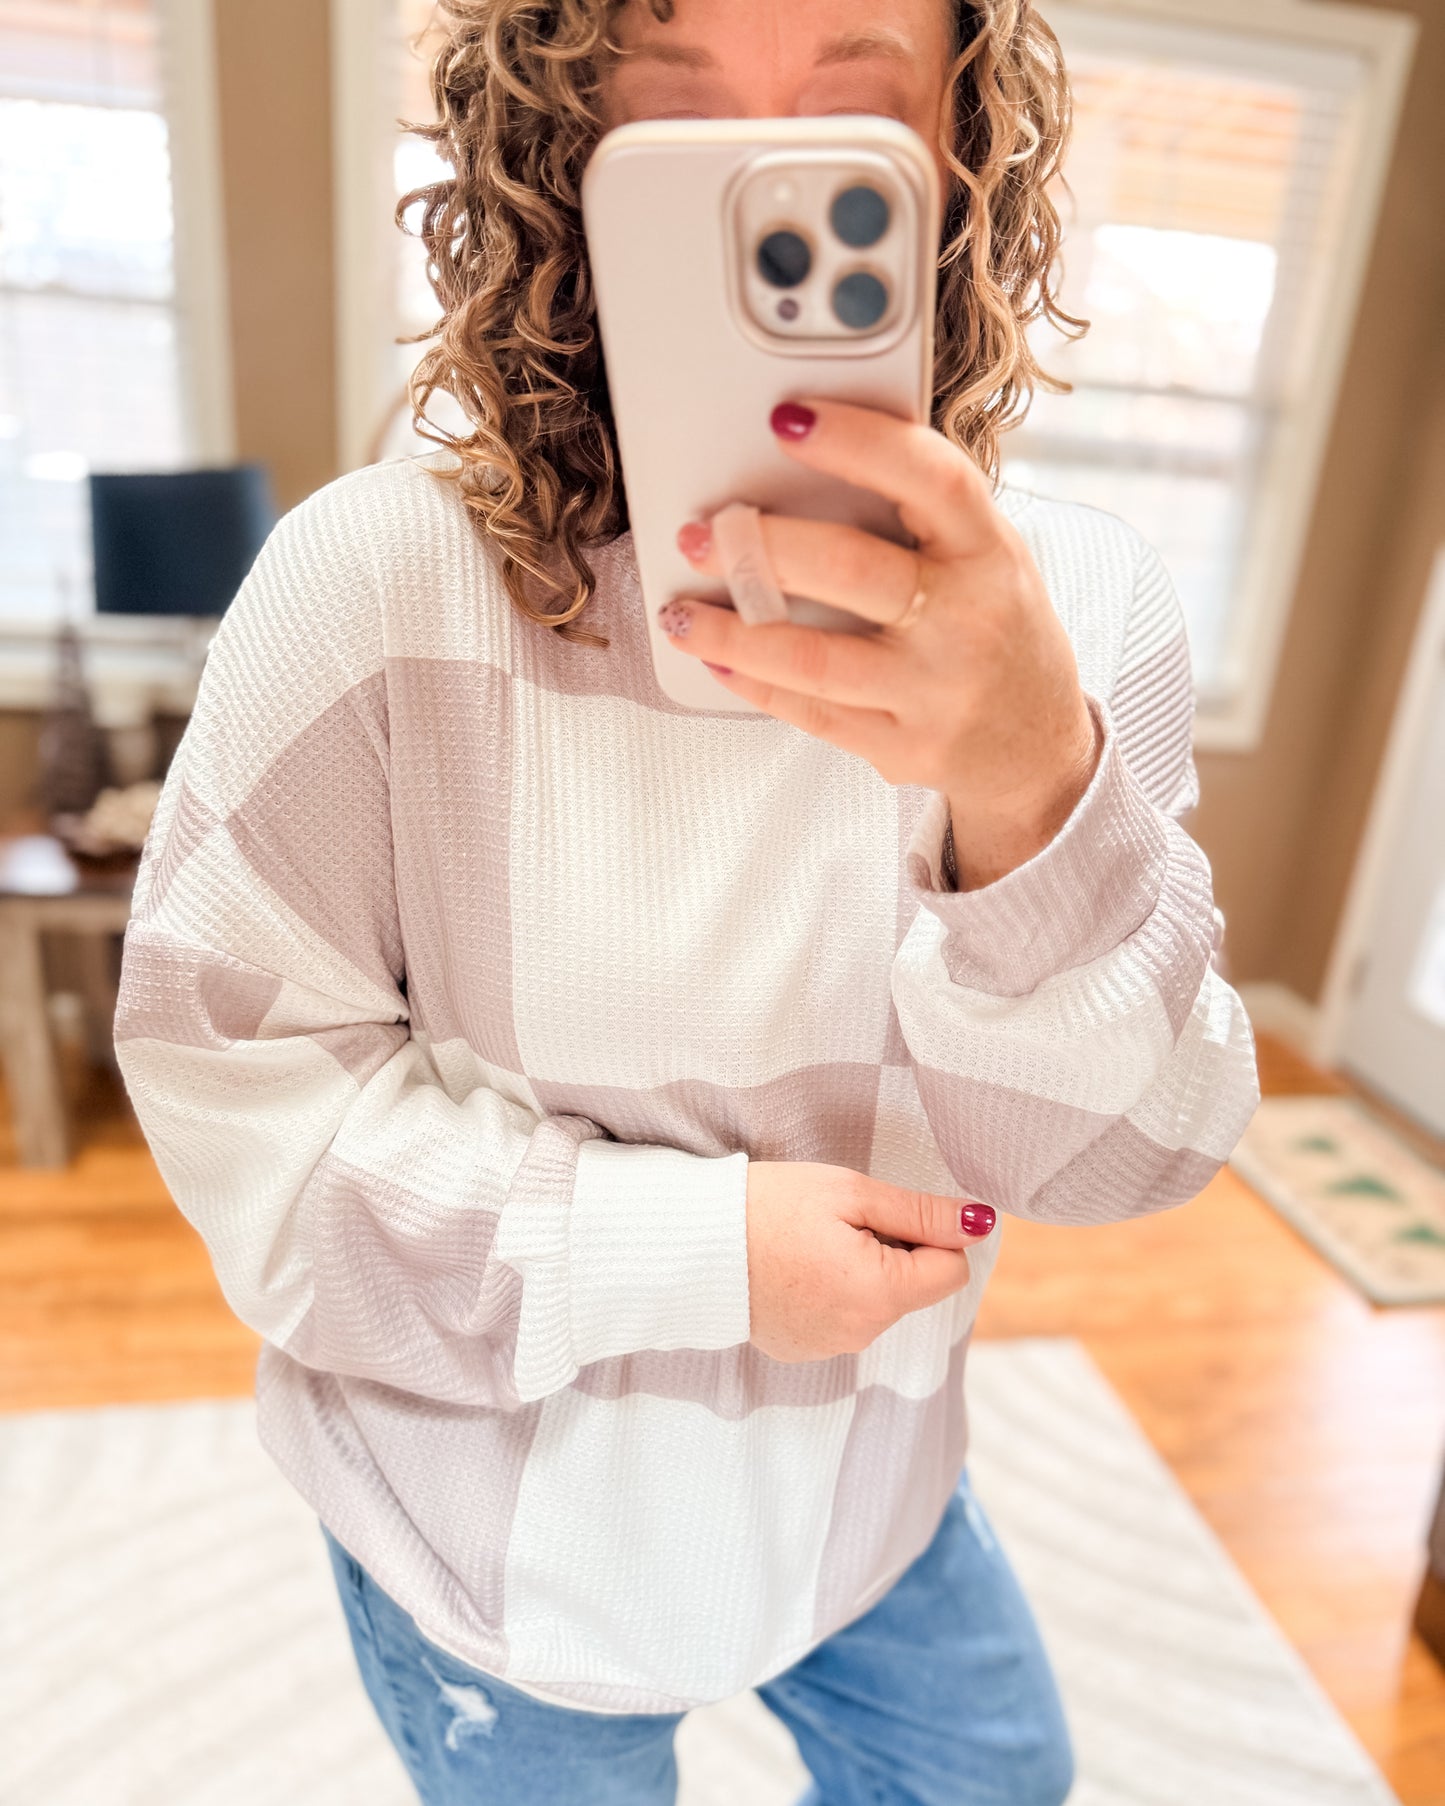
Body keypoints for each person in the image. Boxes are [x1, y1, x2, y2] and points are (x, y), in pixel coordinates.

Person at [112, 1, 1260, 1801]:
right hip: (498, 1542)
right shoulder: (373, 589)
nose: (763, 182)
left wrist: (1035, 785)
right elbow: (252, 1135)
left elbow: (1138, 1159)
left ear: (959, 146)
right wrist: (700, 1256)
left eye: (848, 109)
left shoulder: (1081, 616)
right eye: (677, 117)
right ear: (559, 157)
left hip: (872, 1489)